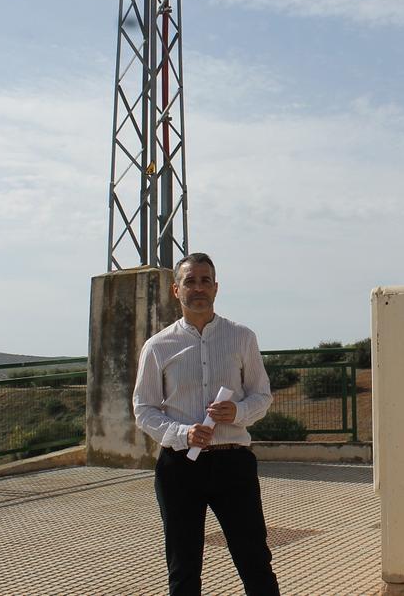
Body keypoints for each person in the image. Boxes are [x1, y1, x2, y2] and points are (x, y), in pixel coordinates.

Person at [132, 252, 280, 596]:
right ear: (175, 290)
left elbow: (262, 396)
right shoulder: (157, 347)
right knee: (183, 568)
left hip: (233, 464)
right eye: (190, 281)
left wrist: (238, 412)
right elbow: (144, 408)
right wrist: (183, 433)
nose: (198, 288)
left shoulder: (242, 337)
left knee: (255, 560)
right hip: (179, 468)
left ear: (216, 288)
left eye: (205, 281)